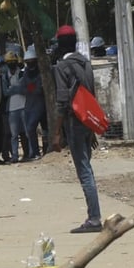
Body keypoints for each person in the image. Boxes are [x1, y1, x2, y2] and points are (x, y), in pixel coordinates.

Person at [51, 25, 103, 234]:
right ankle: (94, 215)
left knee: (84, 170)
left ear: (60, 45)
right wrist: (92, 127)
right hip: (86, 121)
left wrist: (56, 132)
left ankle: (94, 218)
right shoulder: (86, 64)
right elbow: (92, 95)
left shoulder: (62, 67)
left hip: (74, 122)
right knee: (86, 167)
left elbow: (62, 101)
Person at [3, 52, 27, 162]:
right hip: (12, 109)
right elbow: (5, 92)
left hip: (24, 106)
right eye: (9, 62)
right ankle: (15, 156)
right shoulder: (5, 76)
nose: (11, 64)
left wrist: (13, 89)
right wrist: (16, 88)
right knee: (14, 135)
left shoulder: (22, 73)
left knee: (26, 133)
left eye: (13, 62)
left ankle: (28, 153)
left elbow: (24, 89)